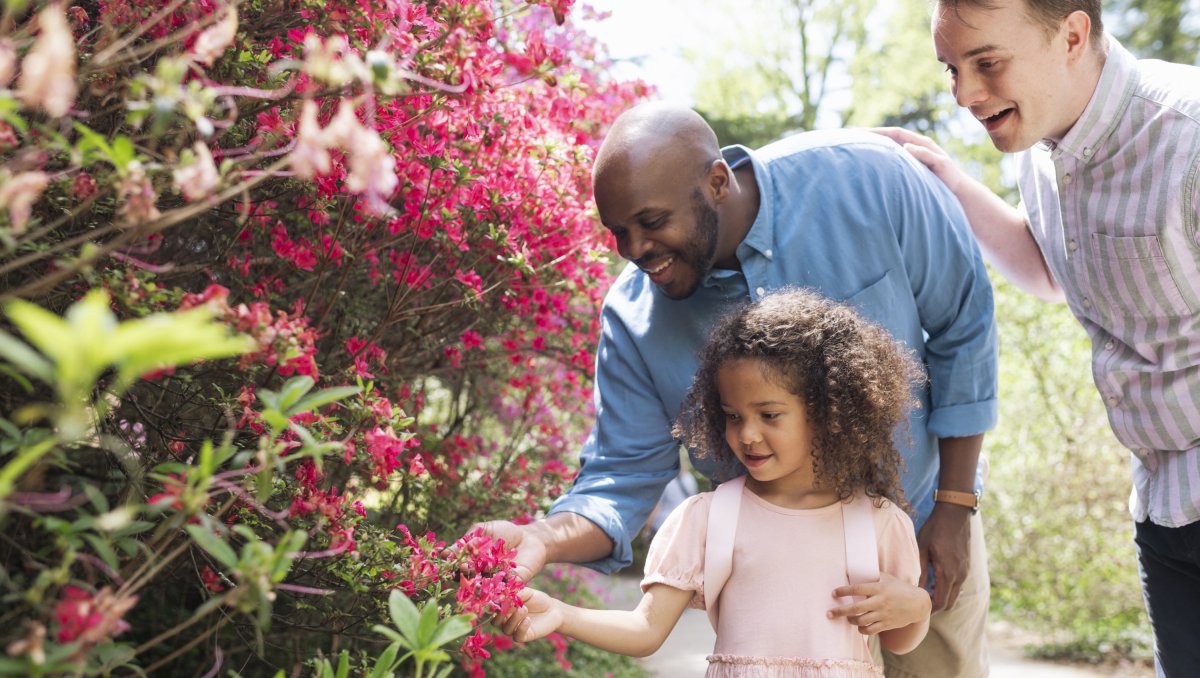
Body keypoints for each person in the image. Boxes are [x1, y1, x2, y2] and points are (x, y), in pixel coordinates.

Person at [471, 102, 999, 677]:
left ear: (716, 182)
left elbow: (964, 324)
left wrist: (953, 505)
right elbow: (619, 478)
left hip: (923, 519)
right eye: (618, 231)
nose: (634, 248)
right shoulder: (633, 316)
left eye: (651, 221)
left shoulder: (868, 177)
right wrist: (540, 538)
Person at [872, 1, 1200, 673]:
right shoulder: (1042, 153)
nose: (964, 94)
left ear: (1073, 35)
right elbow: (1055, 269)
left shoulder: (1187, 136)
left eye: (987, 63)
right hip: (1164, 506)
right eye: (952, 69)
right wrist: (951, 183)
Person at [499, 289, 934, 677]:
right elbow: (645, 629)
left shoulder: (877, 523)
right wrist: (560, 613)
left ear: (826, 414)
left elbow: (899, 640)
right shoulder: (709, 517)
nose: (746, 434)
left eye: (769, 415)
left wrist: (918, 606)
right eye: (733, 415)